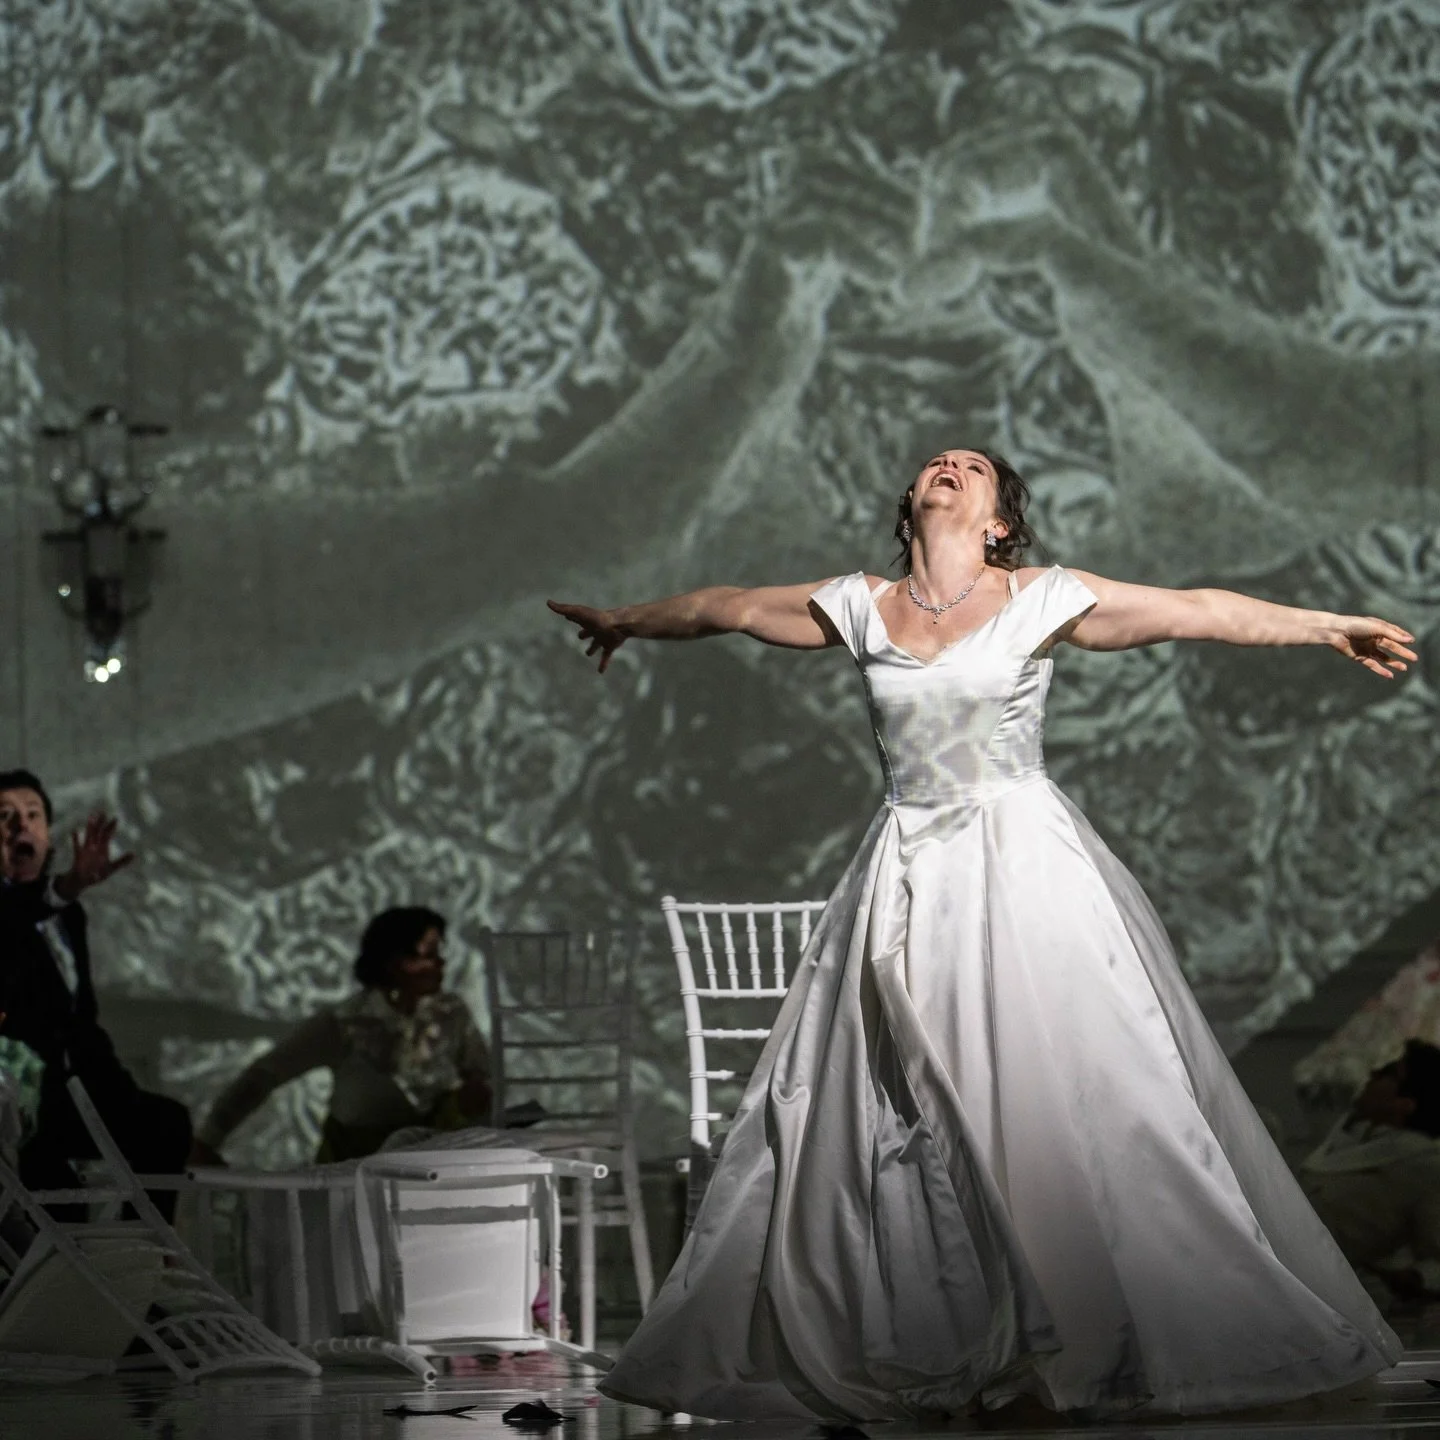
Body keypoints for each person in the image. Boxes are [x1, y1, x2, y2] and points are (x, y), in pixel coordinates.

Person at [549, 448, 1415, 1422]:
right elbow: (731, 605)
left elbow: (1201, 608)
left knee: (1046, 1098)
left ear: (1001, 520)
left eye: (971, 466)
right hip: (909, 869)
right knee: (908, 1116)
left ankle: (1090, 1336)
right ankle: (971, 1340)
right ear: (914, 503)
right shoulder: (861, 605)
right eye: (936, 464)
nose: (947, 467)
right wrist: (628, 620)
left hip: (1019, 869)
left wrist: (1327, 625)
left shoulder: (1043, 597)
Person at [0, 769, 193, 1219]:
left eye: (32, 815)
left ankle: (145, 1256)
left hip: (85, 1083)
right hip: (20, 1102)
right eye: (5, 816)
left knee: (165, 1126)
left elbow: (77, 1015)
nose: (21, 826)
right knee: (56, 1205)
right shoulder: (30, 907)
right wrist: (68, 885)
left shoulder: (70, 915)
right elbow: (18, 915)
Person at [191, 906, 492, 1164]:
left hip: (434, 1166)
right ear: (396, 962)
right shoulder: (345, 1023)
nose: (441, 964)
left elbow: (482, 1075)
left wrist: (471, 1101)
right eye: (430, 955)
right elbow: (265, 1075)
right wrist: (207, 1141)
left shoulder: (453, 1015)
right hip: (353, 1171)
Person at [1301, 1041, 1440, 1304]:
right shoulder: (1343, 1136)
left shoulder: (1424, 1163)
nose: (1372, 1077)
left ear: (1405, 1104)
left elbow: (1436, 1256)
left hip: (1336, 1299)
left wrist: (1413, 1278)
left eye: (1387, 1074)